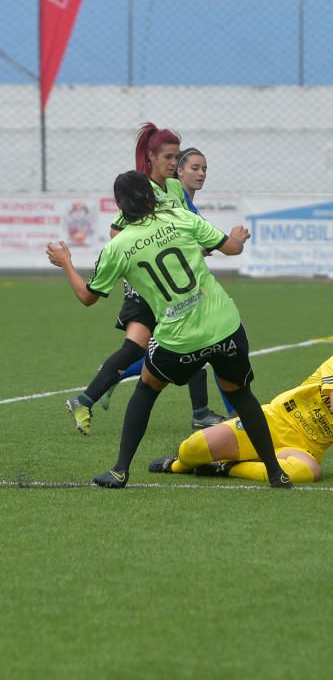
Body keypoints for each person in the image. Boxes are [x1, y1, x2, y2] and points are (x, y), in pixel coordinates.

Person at [46, 170, 292, 490]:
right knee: (241, 394)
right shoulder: (180, 217)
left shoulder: (117, 247)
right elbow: (228, 246)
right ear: (150, 195)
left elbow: (87, 297)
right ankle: (276, 472)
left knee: (147, 389)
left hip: (179, 338)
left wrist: (65, 261)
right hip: (224, 325)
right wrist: (236, 239)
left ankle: (120, 470)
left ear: (120, 206)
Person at [65, 124, 225, 436]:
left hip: (170, 280)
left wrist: (194, 244)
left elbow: (188, 223)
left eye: (179, 158)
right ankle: (203, 412)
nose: (175, 163)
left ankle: (88, 396)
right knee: (196, 338)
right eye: (171, 157)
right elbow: (116, 231)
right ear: (150, 157)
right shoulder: (141, 188)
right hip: (150, 282)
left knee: (138, 347)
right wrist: (154, 249)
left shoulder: (175, 189)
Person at [148, 323, 333, 485]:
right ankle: (177, 466)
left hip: (305, 449)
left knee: (308, 472)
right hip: (272, 421)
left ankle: (225, 468)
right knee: (193, 447)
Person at [111, 146, 236, 418]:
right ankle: (219, 415)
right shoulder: (162, 194)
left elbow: (199, 235)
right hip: (166, 292)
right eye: (194, 168)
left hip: (185, 290)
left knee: (189, 354)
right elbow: (118, 228)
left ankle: (113, 374)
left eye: (204, 169)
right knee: (203, 350)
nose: (201, 173)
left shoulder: (183, 201)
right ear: (179, 170)